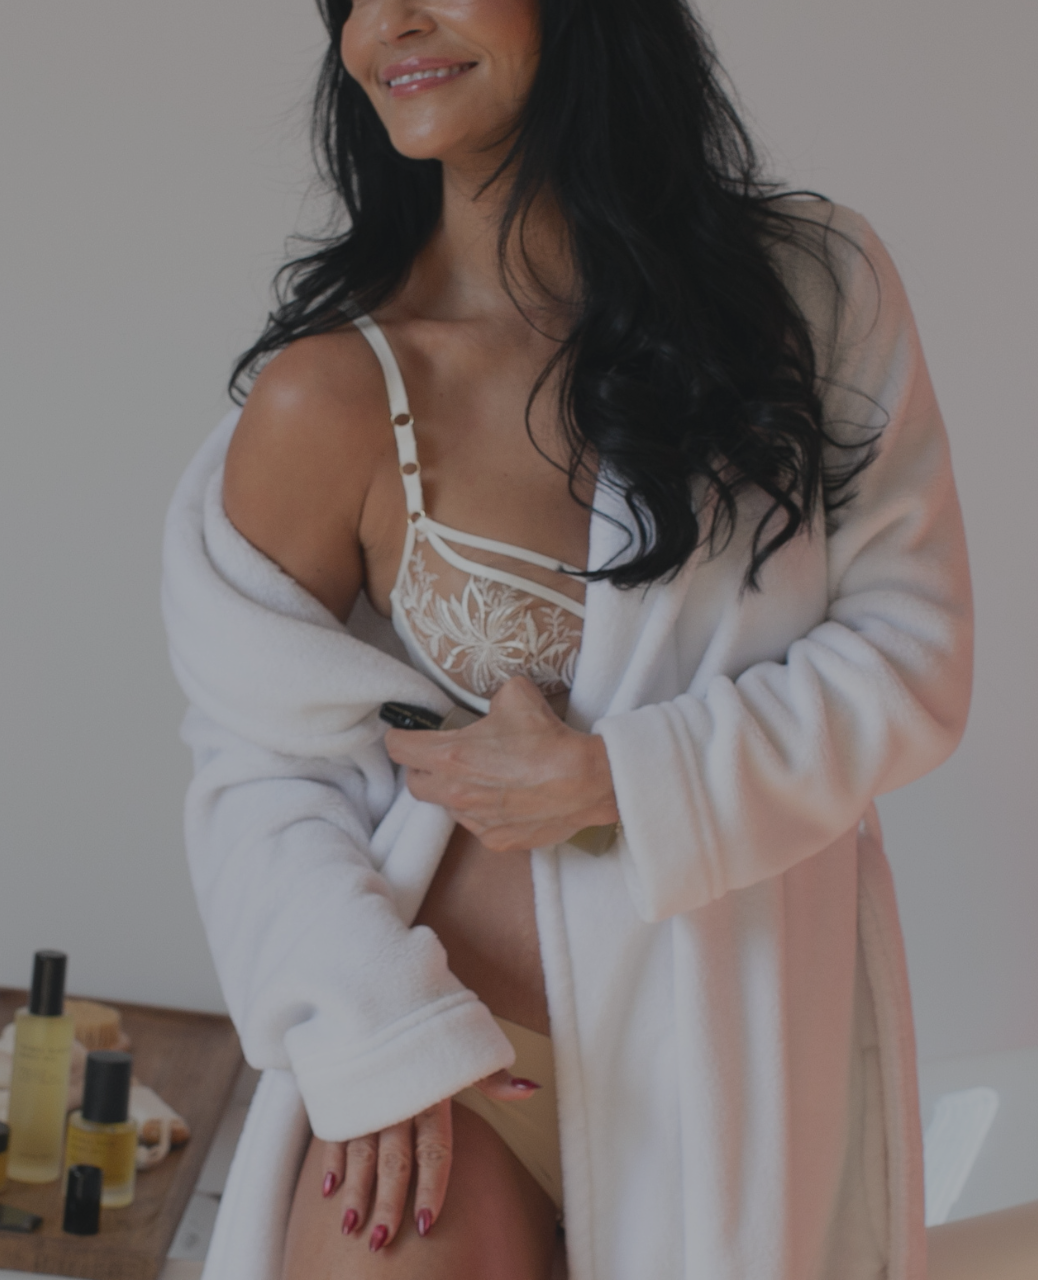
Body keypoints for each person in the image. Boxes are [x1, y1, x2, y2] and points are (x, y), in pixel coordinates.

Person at [160, 0, 971, 1276]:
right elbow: (263, 766)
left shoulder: (811, 294)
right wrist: (374, 1031)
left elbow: (911, 652)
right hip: (449, 1068)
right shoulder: (336, 393)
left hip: (728, 1077)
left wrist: (619, 777)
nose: (392, 22)